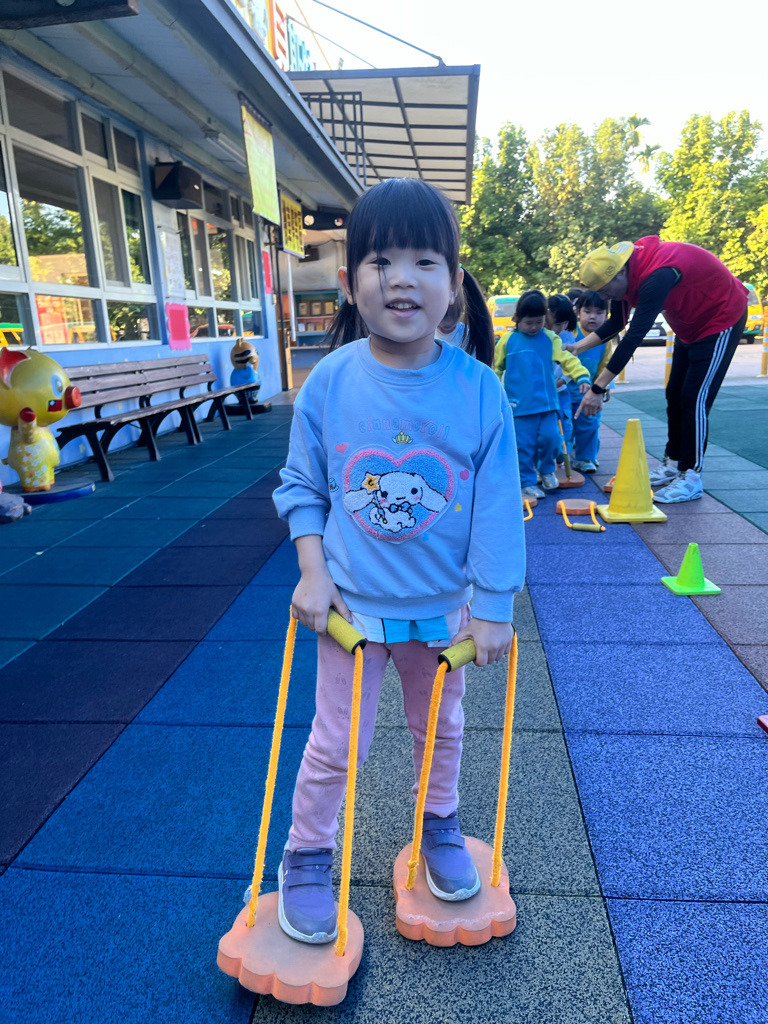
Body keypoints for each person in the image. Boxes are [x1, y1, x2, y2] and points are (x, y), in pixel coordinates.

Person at [273, 178, 525, 945]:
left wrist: (493, 608)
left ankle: (438, 823)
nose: (402, 279)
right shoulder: (331, 381)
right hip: (351, 609)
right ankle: (307, 855)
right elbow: (302, 485)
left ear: (454, 281)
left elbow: (496, 506)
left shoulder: (478, 391)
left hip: (441, 609)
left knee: (440, 730)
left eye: (424, 261)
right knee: (335, 743)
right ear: (350, 281)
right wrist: (313, 571)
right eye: (381, 261)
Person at [573, 237, 748, 502]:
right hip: (689, 326)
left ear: (619, 272)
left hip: (721, 318)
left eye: (607, 291)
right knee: (674, 393)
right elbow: (617, 322)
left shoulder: (658, 275)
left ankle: (691, 476)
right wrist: (577, 347)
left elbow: (633, 336)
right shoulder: (625, 273)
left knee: (694, 398)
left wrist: (598, 388)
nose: (606, 297)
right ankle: (673, 463)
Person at [494, 289, 590, 499]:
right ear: (517, 318)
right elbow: (496, 369)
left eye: (539, 322)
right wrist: (493, 393)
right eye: (529, 322)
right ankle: (527, 481)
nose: (533, 327)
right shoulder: (508, 341)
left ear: (545, 319)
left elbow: (567, 359)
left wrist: (581, 376)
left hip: (547, 404)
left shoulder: (549, 338)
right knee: (524, 446)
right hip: (519, 406)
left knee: (552, 439)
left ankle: (546, 470)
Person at [568, 291, 614, 472]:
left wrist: (604, 387)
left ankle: (586, 458)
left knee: (589, 423)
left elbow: (605, 365)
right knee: (564, 426)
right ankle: (559, 459)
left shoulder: (605, 339)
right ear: (578, 312)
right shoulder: (571, 333)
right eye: (587, 311)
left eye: (599, 312)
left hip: (589, 392)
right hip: (565, 391)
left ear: (607, 315)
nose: (593, 317)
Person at [547, 293, 578, 464]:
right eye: (557, 323)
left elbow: (572, 364)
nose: (561, 327)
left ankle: (563, 459)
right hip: (544, 393)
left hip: (561, 391)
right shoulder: (540, 337)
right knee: (548, 429)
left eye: (565, 323)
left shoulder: (568, 337)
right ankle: (547, 461)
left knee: (565, 425)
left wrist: (562, 381)